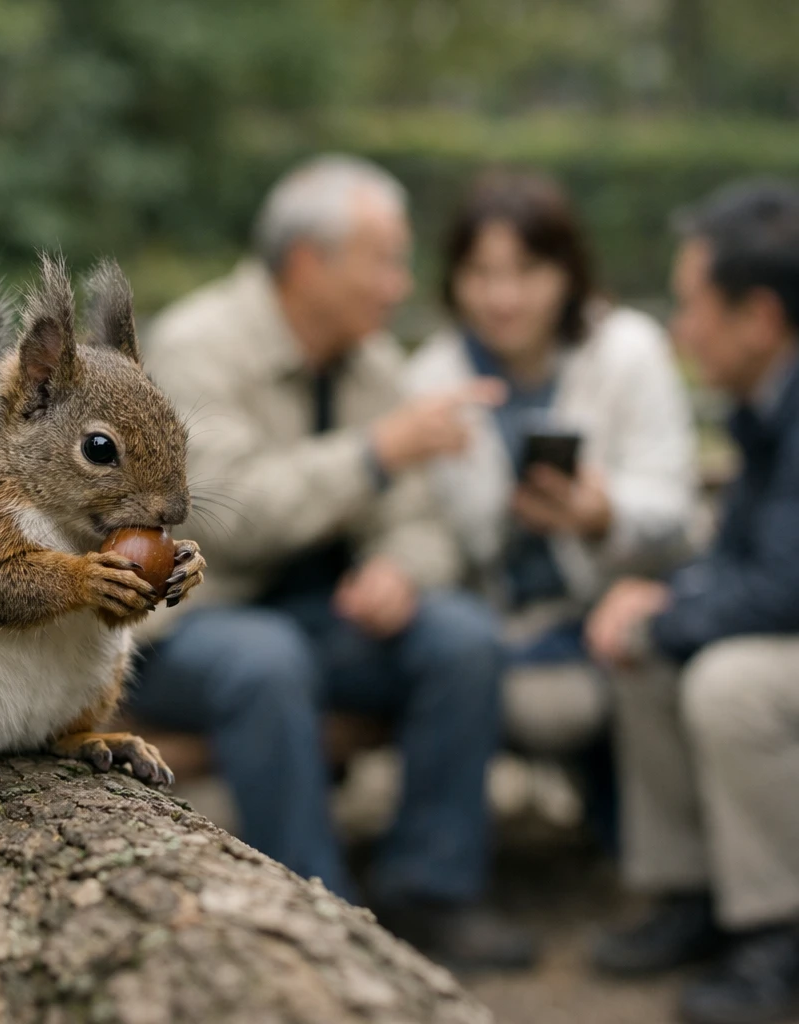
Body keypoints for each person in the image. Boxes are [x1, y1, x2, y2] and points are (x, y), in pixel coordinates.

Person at [127, 155, 535, 970]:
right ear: (311, 262)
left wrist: (400, 570)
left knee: (461, 637)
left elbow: (422, 523)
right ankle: (320, 923)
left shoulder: (374, 361)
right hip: (191, 624)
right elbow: (228, 516)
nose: (400, 284)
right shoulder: (195, 347)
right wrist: (376, 453)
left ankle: (433, 892)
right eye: (385, 259)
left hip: (329, 622)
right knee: (265, 662)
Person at [405, 170, 696, 785]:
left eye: (526, 273)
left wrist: (602, 514)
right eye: (481, 274)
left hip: (616, 604)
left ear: (567, 273)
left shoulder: (629, 351)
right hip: (497, 621)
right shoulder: (433, 378)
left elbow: (673, 500)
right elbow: (435, 535)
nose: (501, 298)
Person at [587, 179, 799, 1024]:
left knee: (731, 685)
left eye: (695, 306)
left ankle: (777, 931)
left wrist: (669, 611)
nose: (682, 330)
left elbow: (784, 588)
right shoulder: (768, 400)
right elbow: (754, 560)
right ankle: (695, 895)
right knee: (647, 647)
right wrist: (667, 601)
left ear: (759, 317)